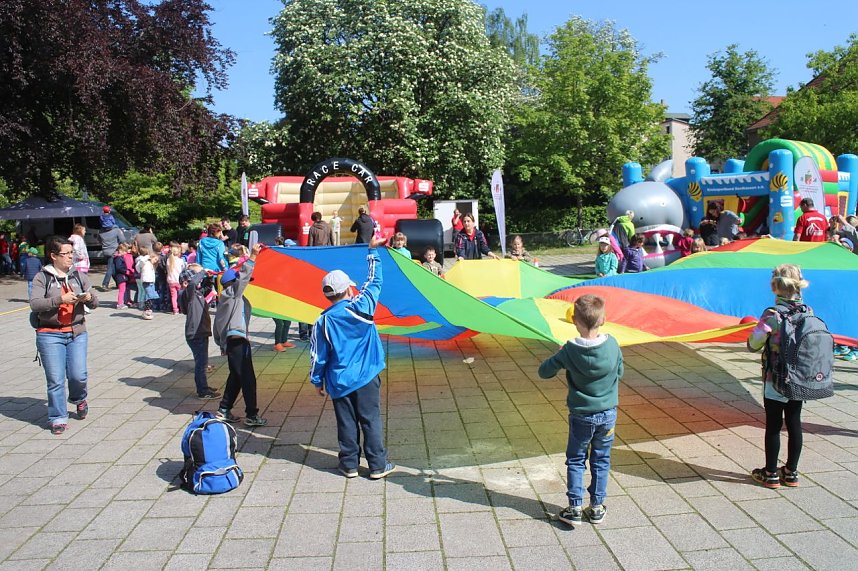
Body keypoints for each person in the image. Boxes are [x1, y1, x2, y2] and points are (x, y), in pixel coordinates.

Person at [310, 235, 395, 480]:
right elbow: (374, 281)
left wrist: (317, 381)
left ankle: (349, 465)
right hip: (367, 376)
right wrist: (372, 251)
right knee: (370, 419)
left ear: (327, 295)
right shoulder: (362, 307)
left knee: (346, 422)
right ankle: (377, 465)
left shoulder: (322, 321)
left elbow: (319, 355)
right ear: (349, 289)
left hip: (339, 380)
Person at [538, 294, 623, 526]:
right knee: (601, 458)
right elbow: (620, 372)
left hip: (581, 415)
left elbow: (544, 372)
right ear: (603, 320)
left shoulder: (569, 351)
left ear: (574, 320)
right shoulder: (613, 344)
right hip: (608, 414)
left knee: (576, 459)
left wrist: (559, 355)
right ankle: (596, 507)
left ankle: (574, 507)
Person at [746, 264, 813, 489]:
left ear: (775, 287)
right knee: (795, 423)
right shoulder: (807, 311)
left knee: (774, 425)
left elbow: (754, 344)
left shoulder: (772, 314)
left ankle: (771, 473)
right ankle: (791, 472)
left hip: (775, 377)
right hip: (800, 376)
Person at [29, 237, 99, 435]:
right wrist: (60, 299)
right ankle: (58, 417)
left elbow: (95, 301)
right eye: (65, 254)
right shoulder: (42, 277)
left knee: (78, 375)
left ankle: (79, 398)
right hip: (50, 334)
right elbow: (34, 303)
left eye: (71, 253)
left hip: (76, 331)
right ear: (53, 256)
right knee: (56, 379)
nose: (70, 257)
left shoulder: (78, 275)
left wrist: (89, 297)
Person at [214, 243, 267, 427]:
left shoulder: (227, 299)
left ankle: (224, 409)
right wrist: (252, 256)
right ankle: (252, 415)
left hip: (234, 342)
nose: (246, 284)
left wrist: (221, 344)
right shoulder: (232, 294)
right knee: (247, 378)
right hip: (237, 342)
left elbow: (217, 324)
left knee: (236, 376)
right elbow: (244, 277)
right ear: (232, 283)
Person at [179, 264, 221, 399]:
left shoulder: (194, 294)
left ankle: (204, 386)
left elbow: (205, 290)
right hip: (196, 333)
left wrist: (208, 279)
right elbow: (192, 285)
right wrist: (203, 272)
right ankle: (202, 391)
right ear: (185, 282)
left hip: (200, 331)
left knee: (202, 363)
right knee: (201, 364)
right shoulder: (186, 293)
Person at [98, 218, 126, 289]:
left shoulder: (101, 231)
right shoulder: (116, 230)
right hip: (114, 251)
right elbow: (123, 240)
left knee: (113, 268)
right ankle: (105, 284)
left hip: (105, 251)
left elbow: (99, 240)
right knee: (110, 268)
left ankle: (118, 283)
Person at [135, 246, 156, 320]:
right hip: (146, 281)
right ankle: (146, 311)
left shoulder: (148, 262)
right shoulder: (142, 261)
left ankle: (148, 310)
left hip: (151, 281)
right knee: (149, 296)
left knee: (151, 296)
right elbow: (138, 268)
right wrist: (147, 257)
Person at [166, 242, 187, 315]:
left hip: (171, 280)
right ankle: (181, 308)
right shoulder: (180, 260)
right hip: (178, 280)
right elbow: (183, 269)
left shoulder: (169, 260)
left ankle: (175, 310)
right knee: (180, 295)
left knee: (173, 296)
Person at [112, 243, 131, 309]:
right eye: (125, 251)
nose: (126, 253)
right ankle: (120, 303)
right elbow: (119, 267)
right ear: (122, 251)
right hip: (120, 276)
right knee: (122, 290)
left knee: (125, 289)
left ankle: (126, 301)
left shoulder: (118, 257)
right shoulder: (119, 258)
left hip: (121, 275)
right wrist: (126, 271)